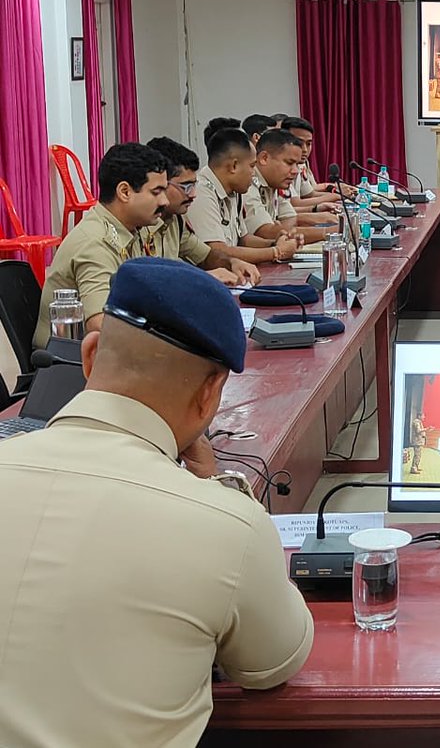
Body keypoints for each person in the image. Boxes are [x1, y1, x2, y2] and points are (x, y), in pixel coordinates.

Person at [0, 258, 313, 747]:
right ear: (211, 395)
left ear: (90, 354)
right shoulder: (225, 527)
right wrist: (221, 488)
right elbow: (273, 663)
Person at [34, 143, 169, 348]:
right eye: (156, 192)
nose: (165, 201)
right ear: (124, 192)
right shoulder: (95, 242)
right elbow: (101, 324)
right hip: (68, 367)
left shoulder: (131, 229)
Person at [140, 137, 261, 287]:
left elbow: (205, 255)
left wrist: (232, 262)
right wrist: (201, 277)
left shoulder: (175, 220)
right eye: (185, 186)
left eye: (193, 185)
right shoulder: (140, 225)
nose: (193, 194)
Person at [187, 127, 301, 266]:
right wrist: (275, 251)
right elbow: (216, 251)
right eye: (252, 166)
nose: (254, 173)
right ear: (234, 166)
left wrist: (275, 242)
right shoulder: (201, 192)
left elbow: (243, 239)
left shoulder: (234, 190)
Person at [245, 129, 338, 243]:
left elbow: (290, 219)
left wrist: (279, 228)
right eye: (289, 163)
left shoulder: (274, 182)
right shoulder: (248, 183)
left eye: (297, 164)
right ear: (264, 158)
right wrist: (329, 232)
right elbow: (266, 232)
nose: (295, 171)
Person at [281, 116, 348, 208]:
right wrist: (337, 196)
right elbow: (295, 203)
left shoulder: (301, 164)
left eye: (308, 144)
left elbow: (309, 194)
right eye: (299, 143)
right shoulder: (280, 168)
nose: (305, 149)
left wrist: (338, 194)